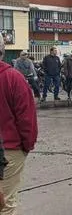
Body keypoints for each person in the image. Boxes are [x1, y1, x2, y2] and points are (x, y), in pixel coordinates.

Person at [0, 34, 38, 213]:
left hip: (9, 149)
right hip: (10, 151)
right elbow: (26, 119)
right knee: (6, 204)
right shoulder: (13, 78)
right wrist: (26, 146)